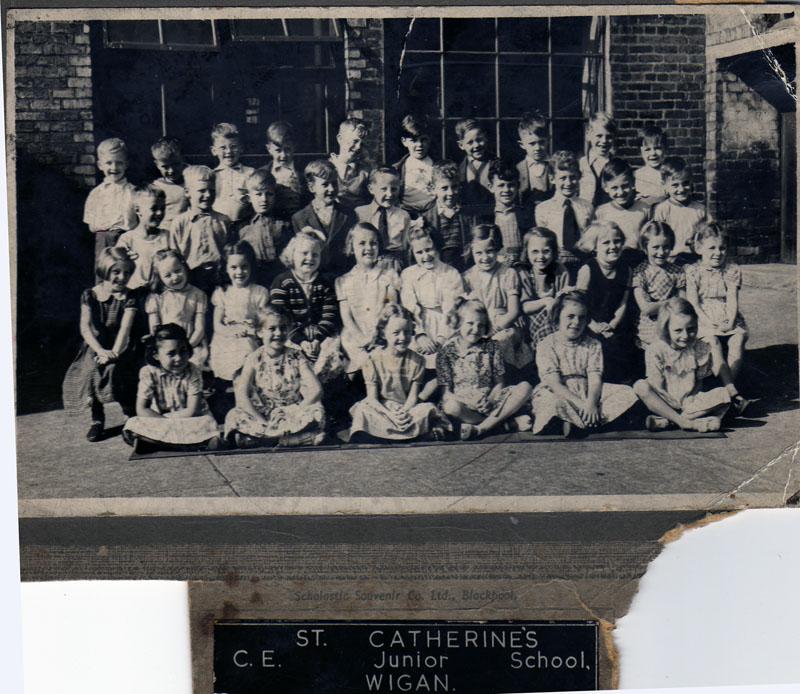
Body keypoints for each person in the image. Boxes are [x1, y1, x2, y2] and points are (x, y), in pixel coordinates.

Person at [531, 290, 637, 436]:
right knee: (550, 402)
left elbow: (595, 378)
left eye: (582, 318)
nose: (576, 322)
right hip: (560, 392)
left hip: (587, 391)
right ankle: (587, 423)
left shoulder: (593, 344)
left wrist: (591, 403)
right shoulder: (546, 344)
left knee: (626, 393)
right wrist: (582, 405)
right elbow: (554, 384)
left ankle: (578, 423)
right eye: (570, 317)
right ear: (557, 318)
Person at [633, 297, 748, 432]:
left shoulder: (699, 348)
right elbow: (657, 385)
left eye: (691, 329)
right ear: (666, 328)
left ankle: (672, 421)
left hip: (691, 401)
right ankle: (686, 422)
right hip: (665, 400)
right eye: (678, 330)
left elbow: (698, 383)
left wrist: (690, 402)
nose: (686, 335)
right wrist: (673, 404)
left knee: (724, 394)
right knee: (640, 386)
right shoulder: (656, 349)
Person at [62, 247, 138, 442]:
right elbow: (85, 327)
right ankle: (97, 418)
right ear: (105, 270)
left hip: (120, 346)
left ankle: (130, 415)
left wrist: (112, 352)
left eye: (127, 272)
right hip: (96, 345)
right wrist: (99, 350)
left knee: (116, 371)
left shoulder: (129, 298)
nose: (122, 277)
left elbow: (125, 329)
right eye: (116, 272)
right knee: (91, 370)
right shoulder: (91, 295)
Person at [223, 306, 326, 448]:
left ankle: (266, 440)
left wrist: (295, 412)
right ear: (260, 332)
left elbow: (316, 390)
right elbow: (242, 395)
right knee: (234, 415)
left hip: (292, 412)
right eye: (272, 329)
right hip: (264, 414)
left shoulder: (297, 356)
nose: (278, 333)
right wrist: (262, 421)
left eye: (283, 328)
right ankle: (290, 439)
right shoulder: (254, 358)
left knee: (316, 412)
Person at [348, 303, 448, 441]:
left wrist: (404, 413)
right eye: (396, 333)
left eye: (407, 332)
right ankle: (412, 435)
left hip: (406, 408)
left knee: (426, 409)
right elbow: (372, 399)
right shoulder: (372, 359)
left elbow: (413, 397)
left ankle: (383, 435)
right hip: (382, 409)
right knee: (362, 409)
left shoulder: (417, 360)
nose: (402, 338)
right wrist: (390, 414)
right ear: (383, 332)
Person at [436, 298, 532, 440]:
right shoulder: (446, 352)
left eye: (481, 325)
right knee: (451, 407)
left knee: (525, 387)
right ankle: (501, 425)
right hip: (465, 406)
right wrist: (469, 402)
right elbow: (446, 393)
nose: (475, 329)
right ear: (459, 323)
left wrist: (491, 400)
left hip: (490, 403)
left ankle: (482, 428)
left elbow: (500, 383)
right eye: (470, 323)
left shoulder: (492, 347)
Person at [122, 323, 221, 451]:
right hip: (159, 419)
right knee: (132, 423)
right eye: (171, 353)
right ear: (156, 354)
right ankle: (192, 443)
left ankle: (156, 442)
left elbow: (193, 410)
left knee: (208, 423)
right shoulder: (148, 372)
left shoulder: (193, 371)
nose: (178, 358)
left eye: (183, 351)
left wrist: (169, 423)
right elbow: (142, 409)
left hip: (190, 420)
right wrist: (165, 422)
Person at [270, 230, 342, 377]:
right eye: (304, 253)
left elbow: (329, 314)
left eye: (315, 254)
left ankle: (321, 391)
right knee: (290, 360)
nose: (310, 258)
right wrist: (301, 340)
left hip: (321, 335)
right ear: (292, 255)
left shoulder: (325, 283)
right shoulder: (282, 282)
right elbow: (281, 315)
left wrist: (317, 339)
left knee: (331, 352)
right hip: (292, 335)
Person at [685, 222, 748, 380]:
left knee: (737, 339)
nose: (718, 253)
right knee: (712, 341)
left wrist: (731, 321)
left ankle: (730, 384)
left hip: (726, 314)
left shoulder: (731, 270)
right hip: (702, 316)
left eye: (722, 248)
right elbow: (693, 302)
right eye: (712, 248)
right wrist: (706, 321)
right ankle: (722, 383)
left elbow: (732, 299)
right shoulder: (693, 271)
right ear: (699, 249)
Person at [463, 223, 532, 369]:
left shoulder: (508, 273)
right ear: (471, 251)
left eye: (490, 251)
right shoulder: (468, 276)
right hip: (477, 326)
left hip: (503, 325)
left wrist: (493, 329)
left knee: (498, 344)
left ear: (498, 249)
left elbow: (513, 312)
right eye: (479, 253)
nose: (485, 258)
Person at [575, 221, 635, 383]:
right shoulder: (588, 269)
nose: (613, 246)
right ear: (594, 247)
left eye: (617, 241)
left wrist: (613, 324)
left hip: (614, 324)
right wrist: (593, 325)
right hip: (588, 323)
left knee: (621, 349)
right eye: (606, 242)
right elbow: (579, 304)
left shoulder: (626, 270)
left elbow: (623, 301)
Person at [336, 223, 401, 373]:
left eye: (373, 243)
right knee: (361, 364)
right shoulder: (343, 281)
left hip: (382, 335)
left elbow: (392, 308)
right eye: (362, 243)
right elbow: (346, 316)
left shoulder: (388, 276)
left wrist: (377, 336)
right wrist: (360, 338)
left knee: (383, 361)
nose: (369, 248)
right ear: (351, 247)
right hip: (354, 337)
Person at [400, 228, 465, 369]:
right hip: (419, 325)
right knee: (412, 358)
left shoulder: (450, 273)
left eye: (429, 250)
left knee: (446, 358)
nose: (426, 256)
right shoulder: (408, 275)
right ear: (412, 253)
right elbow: (409, 307)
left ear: (437, 247)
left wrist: (440, 340)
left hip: (446, 326)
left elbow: (451, 310)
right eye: (419, 252)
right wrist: (420, 335)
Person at [209, 240, 270, 382]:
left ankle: (245, 394)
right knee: (237, 364)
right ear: (226, 268)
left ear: (251, 267)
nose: (239, 272)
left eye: (244, 267)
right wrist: (233, 331)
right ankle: (240, 396)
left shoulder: (259, 292)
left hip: (251, 336)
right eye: (234, 267)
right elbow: (217, 326)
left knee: (247, 355)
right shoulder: (222, 292)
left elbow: (264, 323)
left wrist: (250, 330)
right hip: (226, 339)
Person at [169, 164, 231, 295]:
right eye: (202, 191)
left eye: (212, 190)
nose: (208, 195)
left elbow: (229, 253)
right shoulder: (179, 223)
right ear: (187, 192)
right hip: (191, 280)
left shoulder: (223, 221)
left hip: (218, 280)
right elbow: (174, 256)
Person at [534, 150, 594, 280]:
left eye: (572, 177)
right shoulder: (543, 209)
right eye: (562, 178)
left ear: (579, 177)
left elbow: (590, 239)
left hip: (582, 262)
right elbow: (543, 242)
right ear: (552, 178)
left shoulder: (587, 207)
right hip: (556, 265)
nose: (568, 183)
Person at [291, 159, 356, 275]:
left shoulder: (348, 214)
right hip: (314, 276)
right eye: (325, 184)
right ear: (312, 188)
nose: (331, 189)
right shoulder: (299, 218)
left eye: (334, 183)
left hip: (343, 275)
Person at [146, 249, 208, 368]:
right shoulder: (156, 298)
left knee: (194, 365)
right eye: (168, 275)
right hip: (165, 347)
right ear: (159, 277)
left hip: (192, 344)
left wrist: (186, 349)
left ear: (184, 267)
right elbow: (154, 329)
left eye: (178, 271)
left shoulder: (197, 294)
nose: (175, 277)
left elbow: (200, 329)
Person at [632, 221, 685, 349]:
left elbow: (683, 301)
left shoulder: (677, 271)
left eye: (666, 247)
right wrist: (672, 302)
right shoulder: (640, 272)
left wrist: (665, 305)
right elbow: (646, 309)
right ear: (645, 248)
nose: (661, 252)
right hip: (650, 324)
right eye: (655, 247)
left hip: (673, 320)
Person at [83, 137, 137, 259]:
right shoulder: (96, 194)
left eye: (119, 162)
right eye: (109, 163)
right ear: (100, 165)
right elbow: (91, 225)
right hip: (103, 241)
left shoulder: (134, 192)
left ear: (126, 164)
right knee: (105, 273)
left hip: (128, 240)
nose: (114, 167)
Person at [237, 169, 291, 288]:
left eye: (269, 194)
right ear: (249, 197)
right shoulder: (242, 226)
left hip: (281, 277)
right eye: (258, 194)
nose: (264, 199)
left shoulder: (284, 222)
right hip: (254, 279)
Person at [519, 227, 570, 349]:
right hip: (531, 321)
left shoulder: (560, 270)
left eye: (546, 251)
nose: (541, 256)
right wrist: (546, 301)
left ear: (554, 252)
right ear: (526, 252)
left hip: (556, 318)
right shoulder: (523, 272)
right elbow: (524, 307)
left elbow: (565, 300)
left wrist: (554, 303)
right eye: (535, 251)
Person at [420, 161, 473, 272]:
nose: (451, 193)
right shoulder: (426, 219)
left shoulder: (467, 216)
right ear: (433, 189)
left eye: (454, 187)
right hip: (438, 270)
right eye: (444, 188)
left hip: (464, 268)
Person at [651, 156, 706, 264]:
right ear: (665, 186)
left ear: (691, 182)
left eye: (685, 183)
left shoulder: (700, 210)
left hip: (694, 259)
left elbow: (707, 235)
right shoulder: (663, 209)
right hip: (670, 260)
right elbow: (657, 236)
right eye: (675, 185)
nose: (681, 189)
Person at [116, 186, 170, 291]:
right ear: (138, 210)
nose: (159, 213)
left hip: (161, 295)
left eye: (162, 208)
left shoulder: (168, 237)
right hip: (133, 296)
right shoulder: (127, 240)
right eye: (154, 208)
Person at [355, 167, 411, 267]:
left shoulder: (403, 216)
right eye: (383, 189)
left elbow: (405, 248)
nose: (389, 194)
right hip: (367, 262)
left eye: (394, 189)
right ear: (371, 189)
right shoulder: (360, 213)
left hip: (394, 264)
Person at [594, 157, 651, 256]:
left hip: (639, 260)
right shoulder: (601, 212)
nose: (620, 192)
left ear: (633, 182)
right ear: (605, 187)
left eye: (625, 186)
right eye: (614, 188)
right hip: (613, 261)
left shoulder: (645, 209)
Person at [488, 158, 534, 267]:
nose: (506, 190)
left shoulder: (525, 214)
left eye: (511, 185)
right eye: (501, 185)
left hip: (521, 267)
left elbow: (530, 244)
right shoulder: (487, 216)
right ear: (491, 187)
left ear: (518, 186)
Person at [210, 122, 254, 223]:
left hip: (244, 225)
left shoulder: (250, 173)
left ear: (241, 148)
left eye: (233, 146)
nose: (229, 151)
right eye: (223, 148)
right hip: (218, 224)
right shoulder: (211, 175)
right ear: (214, 150)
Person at [393, 113, 436, 214]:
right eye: (413, 140)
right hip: (407, 212)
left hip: (432, 212)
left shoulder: (437, 166)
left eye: (423, 140)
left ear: (429, 139)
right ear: (404, 142)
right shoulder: (398, 168)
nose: (419, 145)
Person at [265, 120, 305, 221]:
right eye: (278, 150)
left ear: (294, 147)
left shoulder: (303, 172)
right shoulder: (264, 173)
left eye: (287, 149)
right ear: (269, 149)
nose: (283, 155)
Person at [455, 118, 495, 215]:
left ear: (486, 138)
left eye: (479, 140)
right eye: (470, 142)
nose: (476, 145)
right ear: (461, 145)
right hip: (469, 218)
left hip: (493, 216)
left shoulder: (496, 164)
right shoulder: (459, 170)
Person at [329, 118, 371, 210]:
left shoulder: (367, 172)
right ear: (340, 139)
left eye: (362, 143)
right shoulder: (325, 168)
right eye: (355, 141)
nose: (358, 147)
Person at [579, 111, 617, 207]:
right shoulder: (581, 164)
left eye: (609, 137)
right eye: (599, 136)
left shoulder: (617, 165)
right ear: (588, 135)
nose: (604, 141)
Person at [515, 111, 552, 209]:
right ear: (522, 145)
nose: (538, 148)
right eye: (532, 144)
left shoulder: (555, 165)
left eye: (542, 142)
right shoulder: (518, 169)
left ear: (548, 140)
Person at [150, 137, 188, 227]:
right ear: (157, 165)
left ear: (183, 159)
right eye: (165, 167)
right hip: (167, 232)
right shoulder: (157, 186)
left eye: (176, 164)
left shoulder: (192, 179)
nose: (171, 170)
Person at [634, 125, 668, 204]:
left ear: (665, 149)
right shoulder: (636, 176)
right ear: (640, 152)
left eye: (657, 148)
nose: (653, 153)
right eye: (647, 149)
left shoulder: (670, 173)